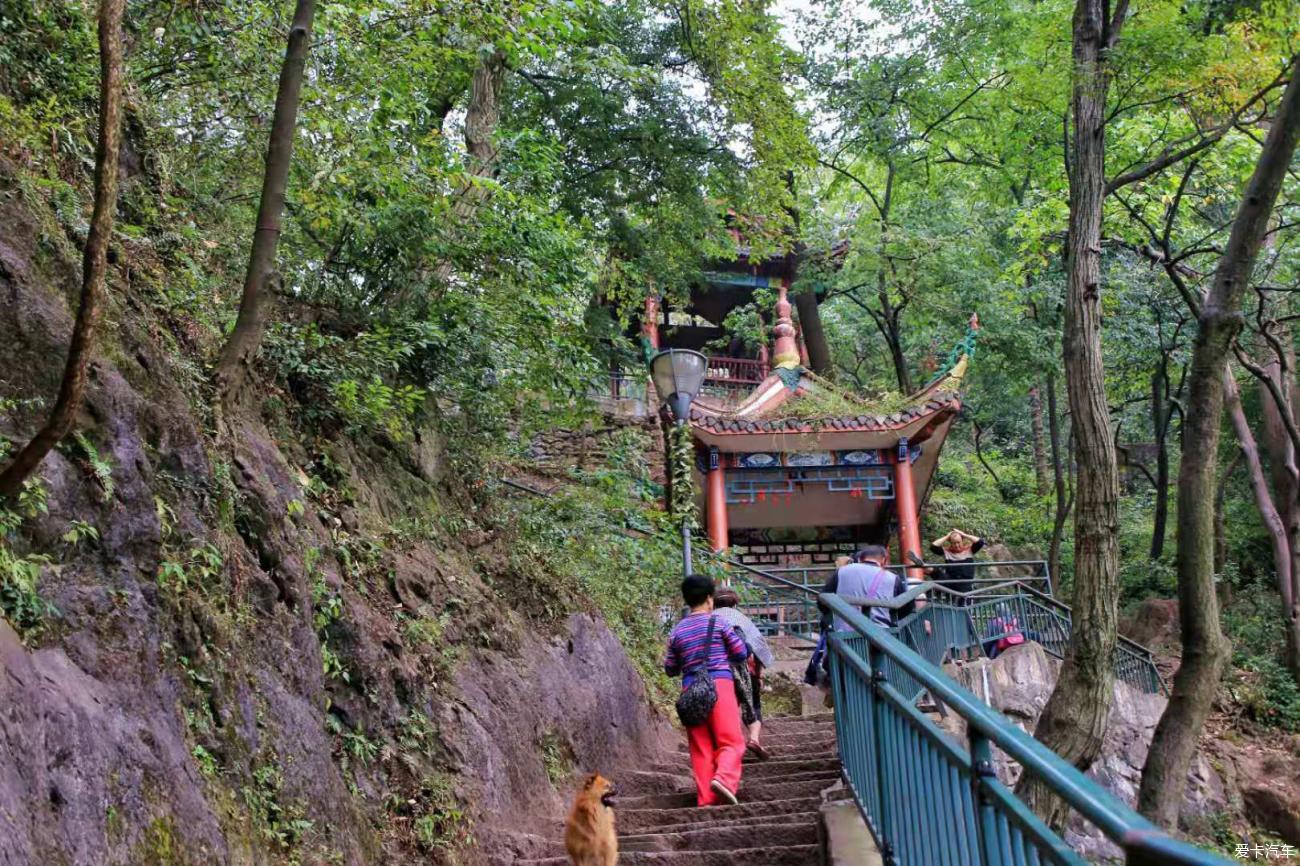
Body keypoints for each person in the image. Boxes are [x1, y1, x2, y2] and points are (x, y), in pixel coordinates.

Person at [663, 574, 749, 807]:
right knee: (731, 741)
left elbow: (670, 668)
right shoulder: (719, 623)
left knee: (701, 748)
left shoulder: (677, 632)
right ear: (710, 599)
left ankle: (705, 799)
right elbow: (741, 653)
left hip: (691, 688)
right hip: (719, 684)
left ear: (687, 600)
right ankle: (723, 778)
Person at [713, 588, 775, 761]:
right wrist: (759, 675)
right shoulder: (742, 620)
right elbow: (758, 647)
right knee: (753, 704)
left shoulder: (709, 619)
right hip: (745, 670)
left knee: (725, 707)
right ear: (735, 603)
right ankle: (754, 738)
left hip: (717, 671)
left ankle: (724, 745)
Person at [833, 545, 909, 629]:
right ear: (883, 560)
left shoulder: (841, 571)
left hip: (844, 633)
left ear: (860, 559)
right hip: (881, 634)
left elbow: (824, 599)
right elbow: (906, 608)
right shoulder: (892, 577)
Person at [930, 529, 985, 597]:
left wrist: (964, 534)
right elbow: (933, 547)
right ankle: (933, 592)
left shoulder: (969, 550)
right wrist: (947, 536)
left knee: (963, 599)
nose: (956, 545)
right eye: (954, 543)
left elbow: (980, 542)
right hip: (951, 582)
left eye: (958, 542)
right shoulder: (947, 552)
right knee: (933, 571)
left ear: (962, 541)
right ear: (950, 543)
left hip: (965, 583)